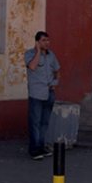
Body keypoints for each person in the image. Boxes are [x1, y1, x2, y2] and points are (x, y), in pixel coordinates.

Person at [25, 31, 60, 160]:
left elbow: (57, 70)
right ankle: (34, 149)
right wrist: (38, 51)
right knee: (35, 122)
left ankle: (41, 146)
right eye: (44, 40)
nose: (47, 43)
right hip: (36, 93)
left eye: (48, 40)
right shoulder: (30, 54)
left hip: (49, 92)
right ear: (37, 42)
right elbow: (32, 66)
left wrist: (55, 82)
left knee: (44, 122)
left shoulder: (51, 55)